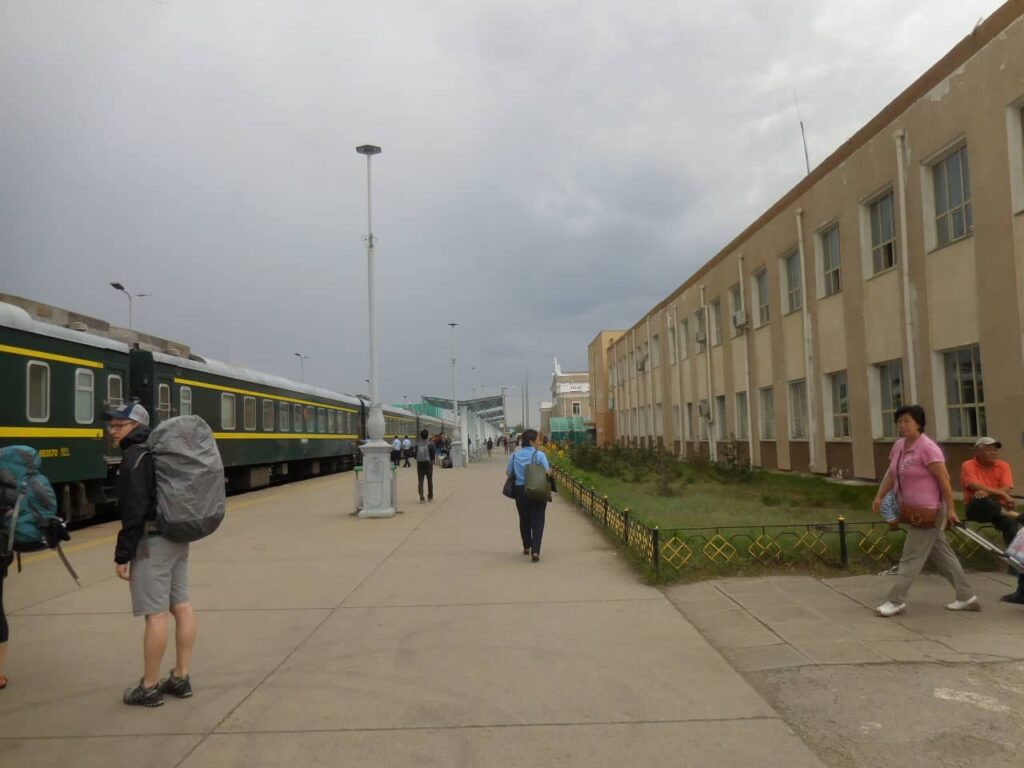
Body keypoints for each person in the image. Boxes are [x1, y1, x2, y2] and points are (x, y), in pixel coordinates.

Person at [108, 402, 197, 707]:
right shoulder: (160, 452)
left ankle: (148, 687)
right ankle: (181, 677)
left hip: (152, 541)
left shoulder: (135, 456)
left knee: (156, 615)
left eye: (119, 425)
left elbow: (133, 512)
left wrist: (122, 554)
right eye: (112, 425)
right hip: (177, 538)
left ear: (135, 426)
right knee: (182, 607)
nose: (112, 431)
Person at [871, 405, 978, 617]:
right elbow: (892, 475)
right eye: (900, 422)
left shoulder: (928, 448)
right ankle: (967, 596)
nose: (903, 426)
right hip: (911, 510)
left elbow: (944, 480)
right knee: (943, 554)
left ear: (919, 423)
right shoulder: (899, 446)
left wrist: (950, 510)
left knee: (911, 557)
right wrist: (880, 495)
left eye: (907, 421)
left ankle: (896, 600)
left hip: (929, 511)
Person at [961, 437, 1024, 603]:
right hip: (978, 508)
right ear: (978, 452)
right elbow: (974, 486)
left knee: (1013, 529)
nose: (993, 452)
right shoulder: (968, 465)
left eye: (995, 449)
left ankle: (1017, 572)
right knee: (980, 500)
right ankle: (1016, 516)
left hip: (998, 508)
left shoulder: (1003, 465)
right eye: (989, 449)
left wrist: (992, 493)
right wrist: (1001, 494)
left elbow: (1006, 486)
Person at [507, 429, 552, 562]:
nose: (539, 442)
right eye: (537, 439)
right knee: (537, 520)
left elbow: (508, 473)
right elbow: (547, 472)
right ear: (531, 441)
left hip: (520, 491)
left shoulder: (514, 456)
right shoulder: (540, 455)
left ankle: (527, 546)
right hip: (537, 490)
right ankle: (536, 551)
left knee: (524, 519)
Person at [415, 429, 436, 503]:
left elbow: (415, 455)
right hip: (428, 464)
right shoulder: (431, 444)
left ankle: (421, 498)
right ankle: (430, 497)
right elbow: (433, 455)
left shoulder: (417, 444)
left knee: (420, 481)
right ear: (427, 436)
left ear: (421, 436)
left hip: (420, 464)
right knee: (429, 480)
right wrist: (432, 460)